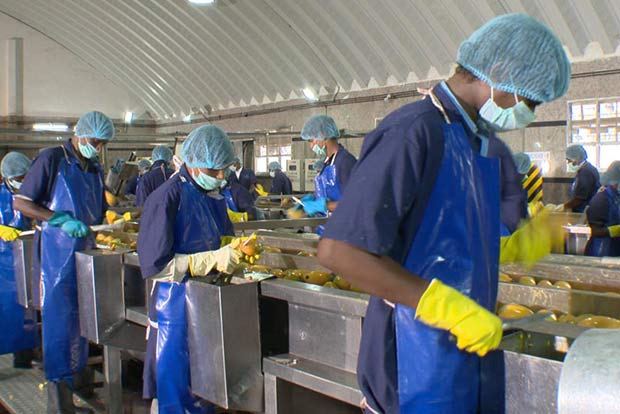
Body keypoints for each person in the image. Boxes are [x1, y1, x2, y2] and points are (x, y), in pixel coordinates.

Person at [316, 14, 569, 414]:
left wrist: (511, 247)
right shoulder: (413, 132)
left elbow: (444, 241)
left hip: (460, 355)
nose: (530, 112)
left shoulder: (476, 141)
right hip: (412, 355)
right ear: (498, 74)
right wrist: (444, 307)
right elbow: (340, 251)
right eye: (530, 100)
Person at [14, 111, 114, 413]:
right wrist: (57, 219)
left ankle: (77, 390)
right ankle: (58, 404)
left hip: (86, 255)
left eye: (102, 143)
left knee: (82, 324)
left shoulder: (94, 167)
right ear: (79, 134)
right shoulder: (52, 159)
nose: (97, 148)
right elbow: (22, 202)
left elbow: (98, 208)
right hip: (56, 260)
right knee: (59, 326)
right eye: (94, 141)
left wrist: (110, 219)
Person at [138, 125, 243, 413]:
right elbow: (154, 265)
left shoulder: (213, 196)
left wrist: (233, 250)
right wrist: (204, 261)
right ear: (193, 164)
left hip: (207, 303)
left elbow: (222, 237)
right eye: (213, 170)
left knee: (205, 386)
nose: (220, 177)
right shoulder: (166, 198)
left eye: (224, 170)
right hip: (174, 306)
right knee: (177, 388)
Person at [0, 152, 38, 369]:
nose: (22, 181)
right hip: (2, 263)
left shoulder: (31, 195)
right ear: (8, 178)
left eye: (25, 177)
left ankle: (23, 357)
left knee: (25, 311)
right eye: (19, 178)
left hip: (24, 260)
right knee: (5, 311)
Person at [299, 115, 357, 215]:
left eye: (311, 141)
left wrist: (323, 206)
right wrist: (313, 198)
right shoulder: (327, 162)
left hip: (343, 222)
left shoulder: (345, 162)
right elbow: (328, 191)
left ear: (323, 136)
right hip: (327, 222)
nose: (311, 146)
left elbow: (354, 202)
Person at [585, 161, 620, 257]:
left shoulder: (617, 198)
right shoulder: (601, 199)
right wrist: (613, 230)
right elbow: (595, 230)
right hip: (602, 250)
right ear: (614, 182)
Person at [563, 144, 600, 213]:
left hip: (584, 210)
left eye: (569, 160)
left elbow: (580, 198)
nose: (568, 163)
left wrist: (565, 206)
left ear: (577, 159)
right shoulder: (585, 169)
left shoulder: (586, 172)